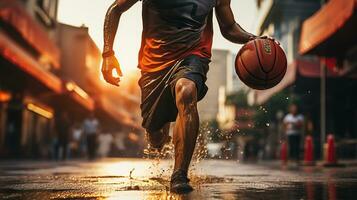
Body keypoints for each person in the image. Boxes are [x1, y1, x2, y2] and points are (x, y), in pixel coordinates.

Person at [102, 0, 268, 193]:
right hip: (154, 63)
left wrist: (255, 39)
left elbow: (229, 27)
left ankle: (179, 174)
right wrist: (107, 53)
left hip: (193, 55)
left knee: (187, 91)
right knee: (156, 139)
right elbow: (116, 9)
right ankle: (164, 124)